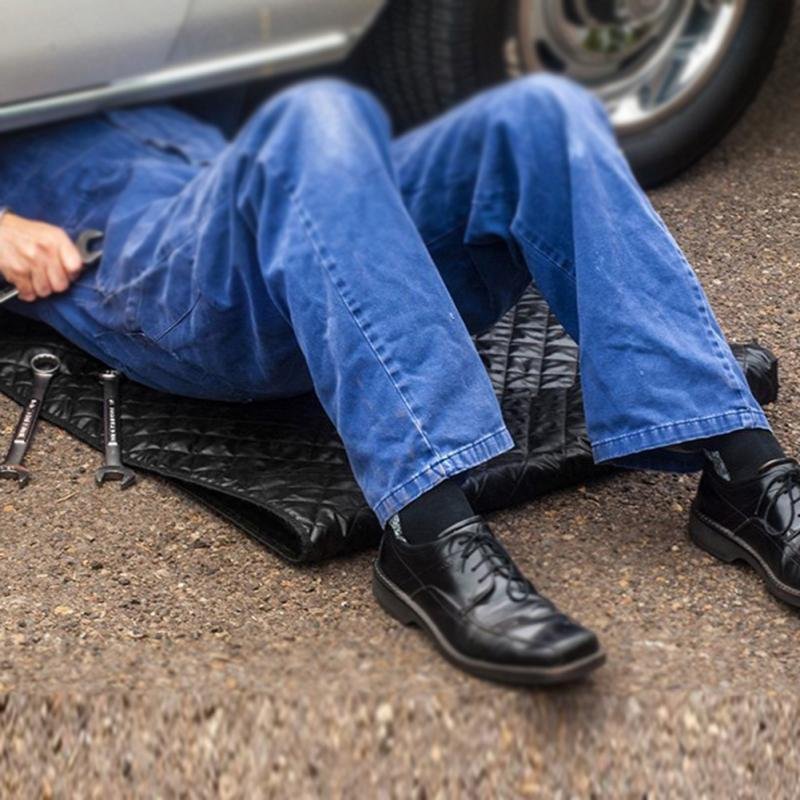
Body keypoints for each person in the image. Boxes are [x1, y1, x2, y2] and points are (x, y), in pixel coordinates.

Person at [0, 75, 797, 687]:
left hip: (291, 206)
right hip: (158, 269)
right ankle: (427, 529)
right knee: (312, 116)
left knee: (541, 112)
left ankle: (742, 467)